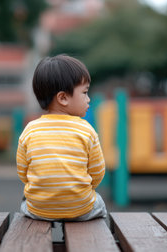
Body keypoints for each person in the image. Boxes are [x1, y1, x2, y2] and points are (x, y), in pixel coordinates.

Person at [17, 55, 107, 221]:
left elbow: (23, 172)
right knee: (99, 202)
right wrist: (78, 190)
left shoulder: (30, 130)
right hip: (81, 208)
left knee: (24, 203)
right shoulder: (86, 130)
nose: (88, 99)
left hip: (39, 209)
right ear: (63, 98)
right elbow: (98, 172)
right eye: (85, 92)